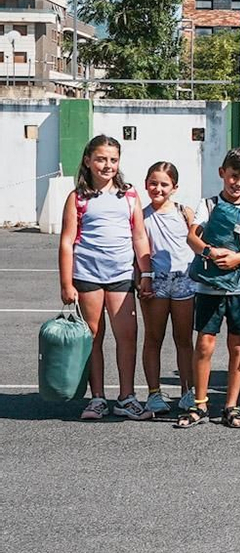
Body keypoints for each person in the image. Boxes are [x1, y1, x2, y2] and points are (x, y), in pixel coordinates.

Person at [58, 134, 150, 421]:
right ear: (88, 161)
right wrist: (66, 282)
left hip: (122, 276)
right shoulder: (77, 198)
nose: (107, 165)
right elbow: (66, 241)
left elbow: (139, 236)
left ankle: (126, 397)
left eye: (113, 159)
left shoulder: (130, 195)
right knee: (93, 338)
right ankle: (97, 398)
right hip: (88, 276)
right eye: (100, 159)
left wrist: (145, 272)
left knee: (127, 336)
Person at [177, 147, 240, 429]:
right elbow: (193, 237)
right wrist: (210, 253)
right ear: (222, 174)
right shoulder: (208, 205)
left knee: (237, 346)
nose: (238, 184)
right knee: (204, 344)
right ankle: (199, 405)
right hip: (210, 288)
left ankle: (232, 406)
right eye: (233, 177)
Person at [139, 162, 200, 417]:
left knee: (184, 339)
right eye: (153, 183)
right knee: (153, 338)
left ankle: (188, 391)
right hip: (156, 280)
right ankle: (154, 394)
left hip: (184, 279)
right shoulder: (141, 215)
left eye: (164, 184)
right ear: (146, 184)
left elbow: (198, 242)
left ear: (174, 187)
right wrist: (143, 278)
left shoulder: (184, 212)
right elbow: (138, 250)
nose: (158, 188)